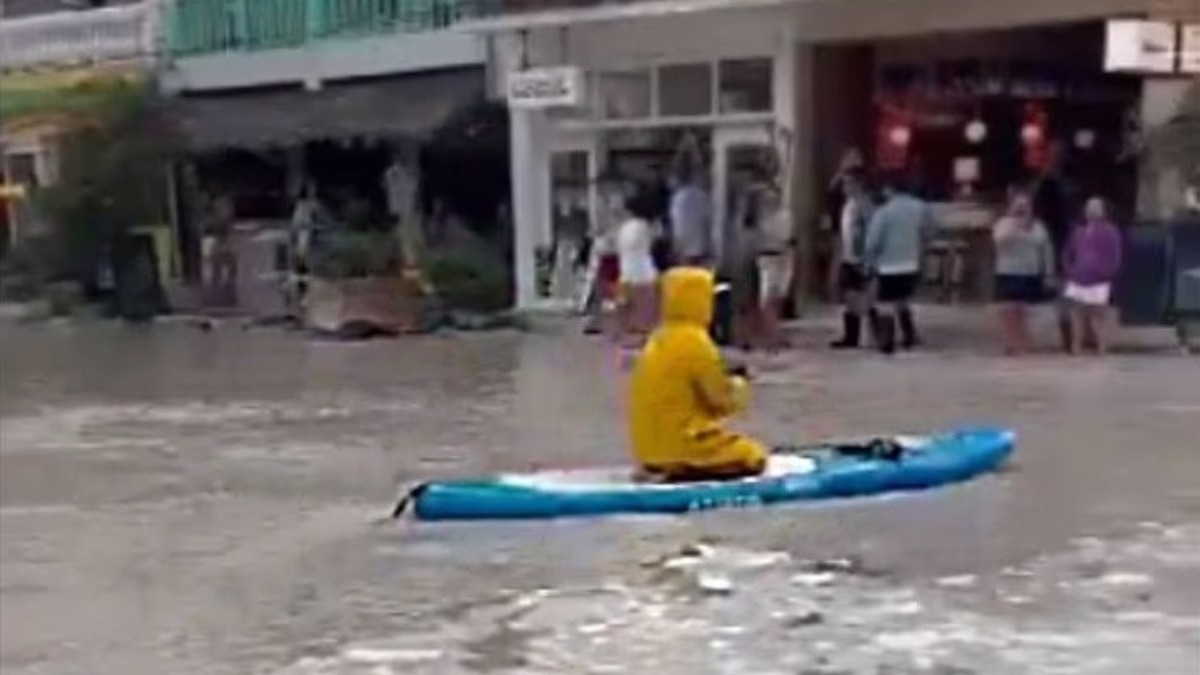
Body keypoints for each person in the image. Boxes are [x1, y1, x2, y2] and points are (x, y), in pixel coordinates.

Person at [628, 266, 768, 481]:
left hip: (648, 448)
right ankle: (684, 469)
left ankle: (665, 465)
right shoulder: (695, 342)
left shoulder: (658, 338)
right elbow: (720, 401)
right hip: (684, 444)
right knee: (752, 455)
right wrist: (740, 385)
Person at [863, 176, 933, 354]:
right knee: (903, 299)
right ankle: (908, 335)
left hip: (888, 265)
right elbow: (929, 232)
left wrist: (869, 262)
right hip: (912, 262)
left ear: (889, 190)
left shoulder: (884, 212)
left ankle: (887, 340)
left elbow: (873, 242)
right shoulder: (921, 207)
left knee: (886, 303)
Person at [992, 190, 1056, 355]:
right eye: (1018, 205)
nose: (1022, 208)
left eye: (1025, 205)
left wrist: (1049, 272)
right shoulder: (1004, 223)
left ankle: (1022, 343)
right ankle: (1012, 343)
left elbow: (1046, 250)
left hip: (1029, 273)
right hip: (1007, 271)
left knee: (1023, 311)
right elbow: (1000, 240)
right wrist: (1015, 223)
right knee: (1008, 310)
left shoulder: (1038, 226)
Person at [1062, 196, 1123, 355]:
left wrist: (1108, 272)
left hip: (1099, 279)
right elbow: (1068, 252)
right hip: (1078, 278)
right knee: (1076, 315)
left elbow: (1115, 255)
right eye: (1089, 207)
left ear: (1103, 211)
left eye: (1096, 207)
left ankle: (1102, 348)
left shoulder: (1110, 231)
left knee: (1099, 316)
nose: (1092, 210)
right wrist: (1070, 270)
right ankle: (1076, 348)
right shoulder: (1078, 231)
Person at [829, 170, 875, 349]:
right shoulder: (848, 205)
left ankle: (872, 333)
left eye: (849, 183)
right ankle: (851, 336)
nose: (845, 187)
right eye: (844, 184)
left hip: (860, 257)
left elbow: (869, 230)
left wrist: (865, 255)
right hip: (848, 256)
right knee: (849, 297)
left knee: (862, 297)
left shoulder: (864, 204)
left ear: (859, 184)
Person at [615, 191, 660, 343]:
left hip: (626, 271)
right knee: (646, 311)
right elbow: (654, 244)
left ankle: (626, 335)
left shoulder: (624, 228)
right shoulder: (647, 227)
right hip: (645, 273)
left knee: (626, 306)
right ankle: (643, 337)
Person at [755, 186, 794, 351]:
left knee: (768, 302)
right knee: (771, 302)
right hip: (772, 259)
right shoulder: (768, 217)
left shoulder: (780, 218)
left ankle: (773, 338)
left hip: (774, 259)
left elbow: (783, 240)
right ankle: (775, 335)